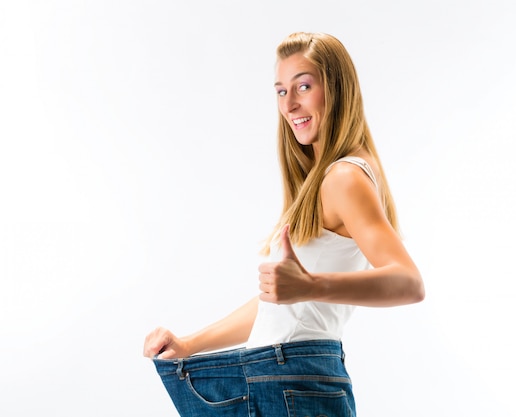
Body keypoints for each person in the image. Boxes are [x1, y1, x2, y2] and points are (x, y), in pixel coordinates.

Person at [143, 31, 425, 417]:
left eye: (303, 86)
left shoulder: (345, 177)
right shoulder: (324, 178)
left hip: (292, 380)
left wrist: (310, 285)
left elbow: (409, 282)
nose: (290, 104)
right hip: (280, 378)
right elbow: (279, 307)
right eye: (280, 91)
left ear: (337, 89)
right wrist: (190, 344)